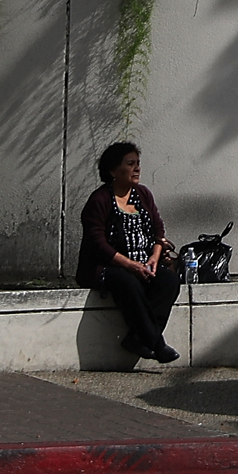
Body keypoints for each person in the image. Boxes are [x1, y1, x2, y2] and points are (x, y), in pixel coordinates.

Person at [77, 142, 182, 363]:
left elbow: (158, 230)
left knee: (169, 281)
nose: (137, 168)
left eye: (138, 163)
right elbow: (98, 244)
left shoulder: (143, 194)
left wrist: (154, 258)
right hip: (108, 267)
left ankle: (136, 338)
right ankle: (157, 344)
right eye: (130, 163)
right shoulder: (99, 201)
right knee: (128, 282)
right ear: (113, 170)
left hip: (143, 262)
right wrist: (130, 265)